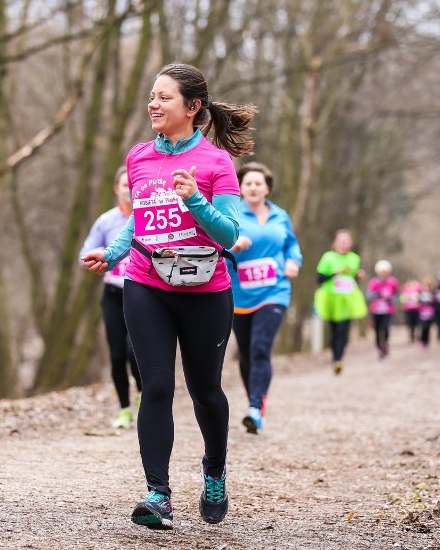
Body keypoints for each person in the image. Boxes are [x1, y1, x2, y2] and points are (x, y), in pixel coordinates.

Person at [81, 62, 257, 530]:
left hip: (206, 291)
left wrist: (195, 200)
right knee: (155, 386)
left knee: (205, 393)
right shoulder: (139, 157)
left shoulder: (217, 163)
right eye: (151, 96)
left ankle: (214, 471)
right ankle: (158, 493)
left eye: (164, 97)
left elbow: (228, 235)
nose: (152, 104)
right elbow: (139, 223)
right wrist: (113, 254)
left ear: (192, 107)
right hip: (147, 284)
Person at [227, 162, 302, 434]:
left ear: (267, 188)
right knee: (246, 353)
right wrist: (232, 244)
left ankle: (255, 409)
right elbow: (217, 244)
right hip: (240, 294)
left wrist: (294, 261)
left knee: (260, 348)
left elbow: (291, 244)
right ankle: (254, 402)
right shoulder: (232, 215)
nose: (253, 187)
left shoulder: (280, 216)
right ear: (241, 188)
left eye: (259, 183)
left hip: (274, 292)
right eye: (248, 183)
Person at [79, 166, 142, 429]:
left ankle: (142, 394)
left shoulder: (148, 218)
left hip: (141, 294)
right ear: (117, 189)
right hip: (114, 294)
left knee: (134, 351)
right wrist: (104, 254)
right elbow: (84, 252)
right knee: (116, 353)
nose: (129, 189)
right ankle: (124, 410)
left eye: (133, 185)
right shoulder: (106, 222)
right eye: (124, 185)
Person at [313, 229, 367, 374]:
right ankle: (334, 356)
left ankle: (338, 359)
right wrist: (332, 274)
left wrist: (358, 277)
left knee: (344, 330)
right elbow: (319, 279)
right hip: (331, 297)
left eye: (347, 241)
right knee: (334, 330)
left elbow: (353, 279)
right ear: (335, 242)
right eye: (341, 241)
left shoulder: (354, 258)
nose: (344, 244)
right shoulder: (328, 258)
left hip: (348, 298)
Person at [366, 260, 399, 359]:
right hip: (376, 310)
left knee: (385, 328)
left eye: (385, 272)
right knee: (376, 330)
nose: (384, 274)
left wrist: (391, 299)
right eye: (382, 272)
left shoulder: (393, 282)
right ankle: (379, 348)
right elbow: (368, 296)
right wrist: (377, 294)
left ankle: (385, 345)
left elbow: (396, 296)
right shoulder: (373, 282)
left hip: (388, 310)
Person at [400, 278, 422, 344]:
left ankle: (418, 335)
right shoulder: (405, 290)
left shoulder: (419, 290)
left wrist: (418, 298)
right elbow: (402, 299)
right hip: (408, 310)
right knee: (410, 324)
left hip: (417, 309)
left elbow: (421, 298)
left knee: (417, 323)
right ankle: (411, 336)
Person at [417, 276, 436, 349]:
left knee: (428, 327)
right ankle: (422, 340)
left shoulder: (433, 292)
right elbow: (418, 300)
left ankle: (427, 341)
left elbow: (434, 302)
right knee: (423, 327)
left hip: (430, 312)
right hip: (422, 312)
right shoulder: (421, 292)